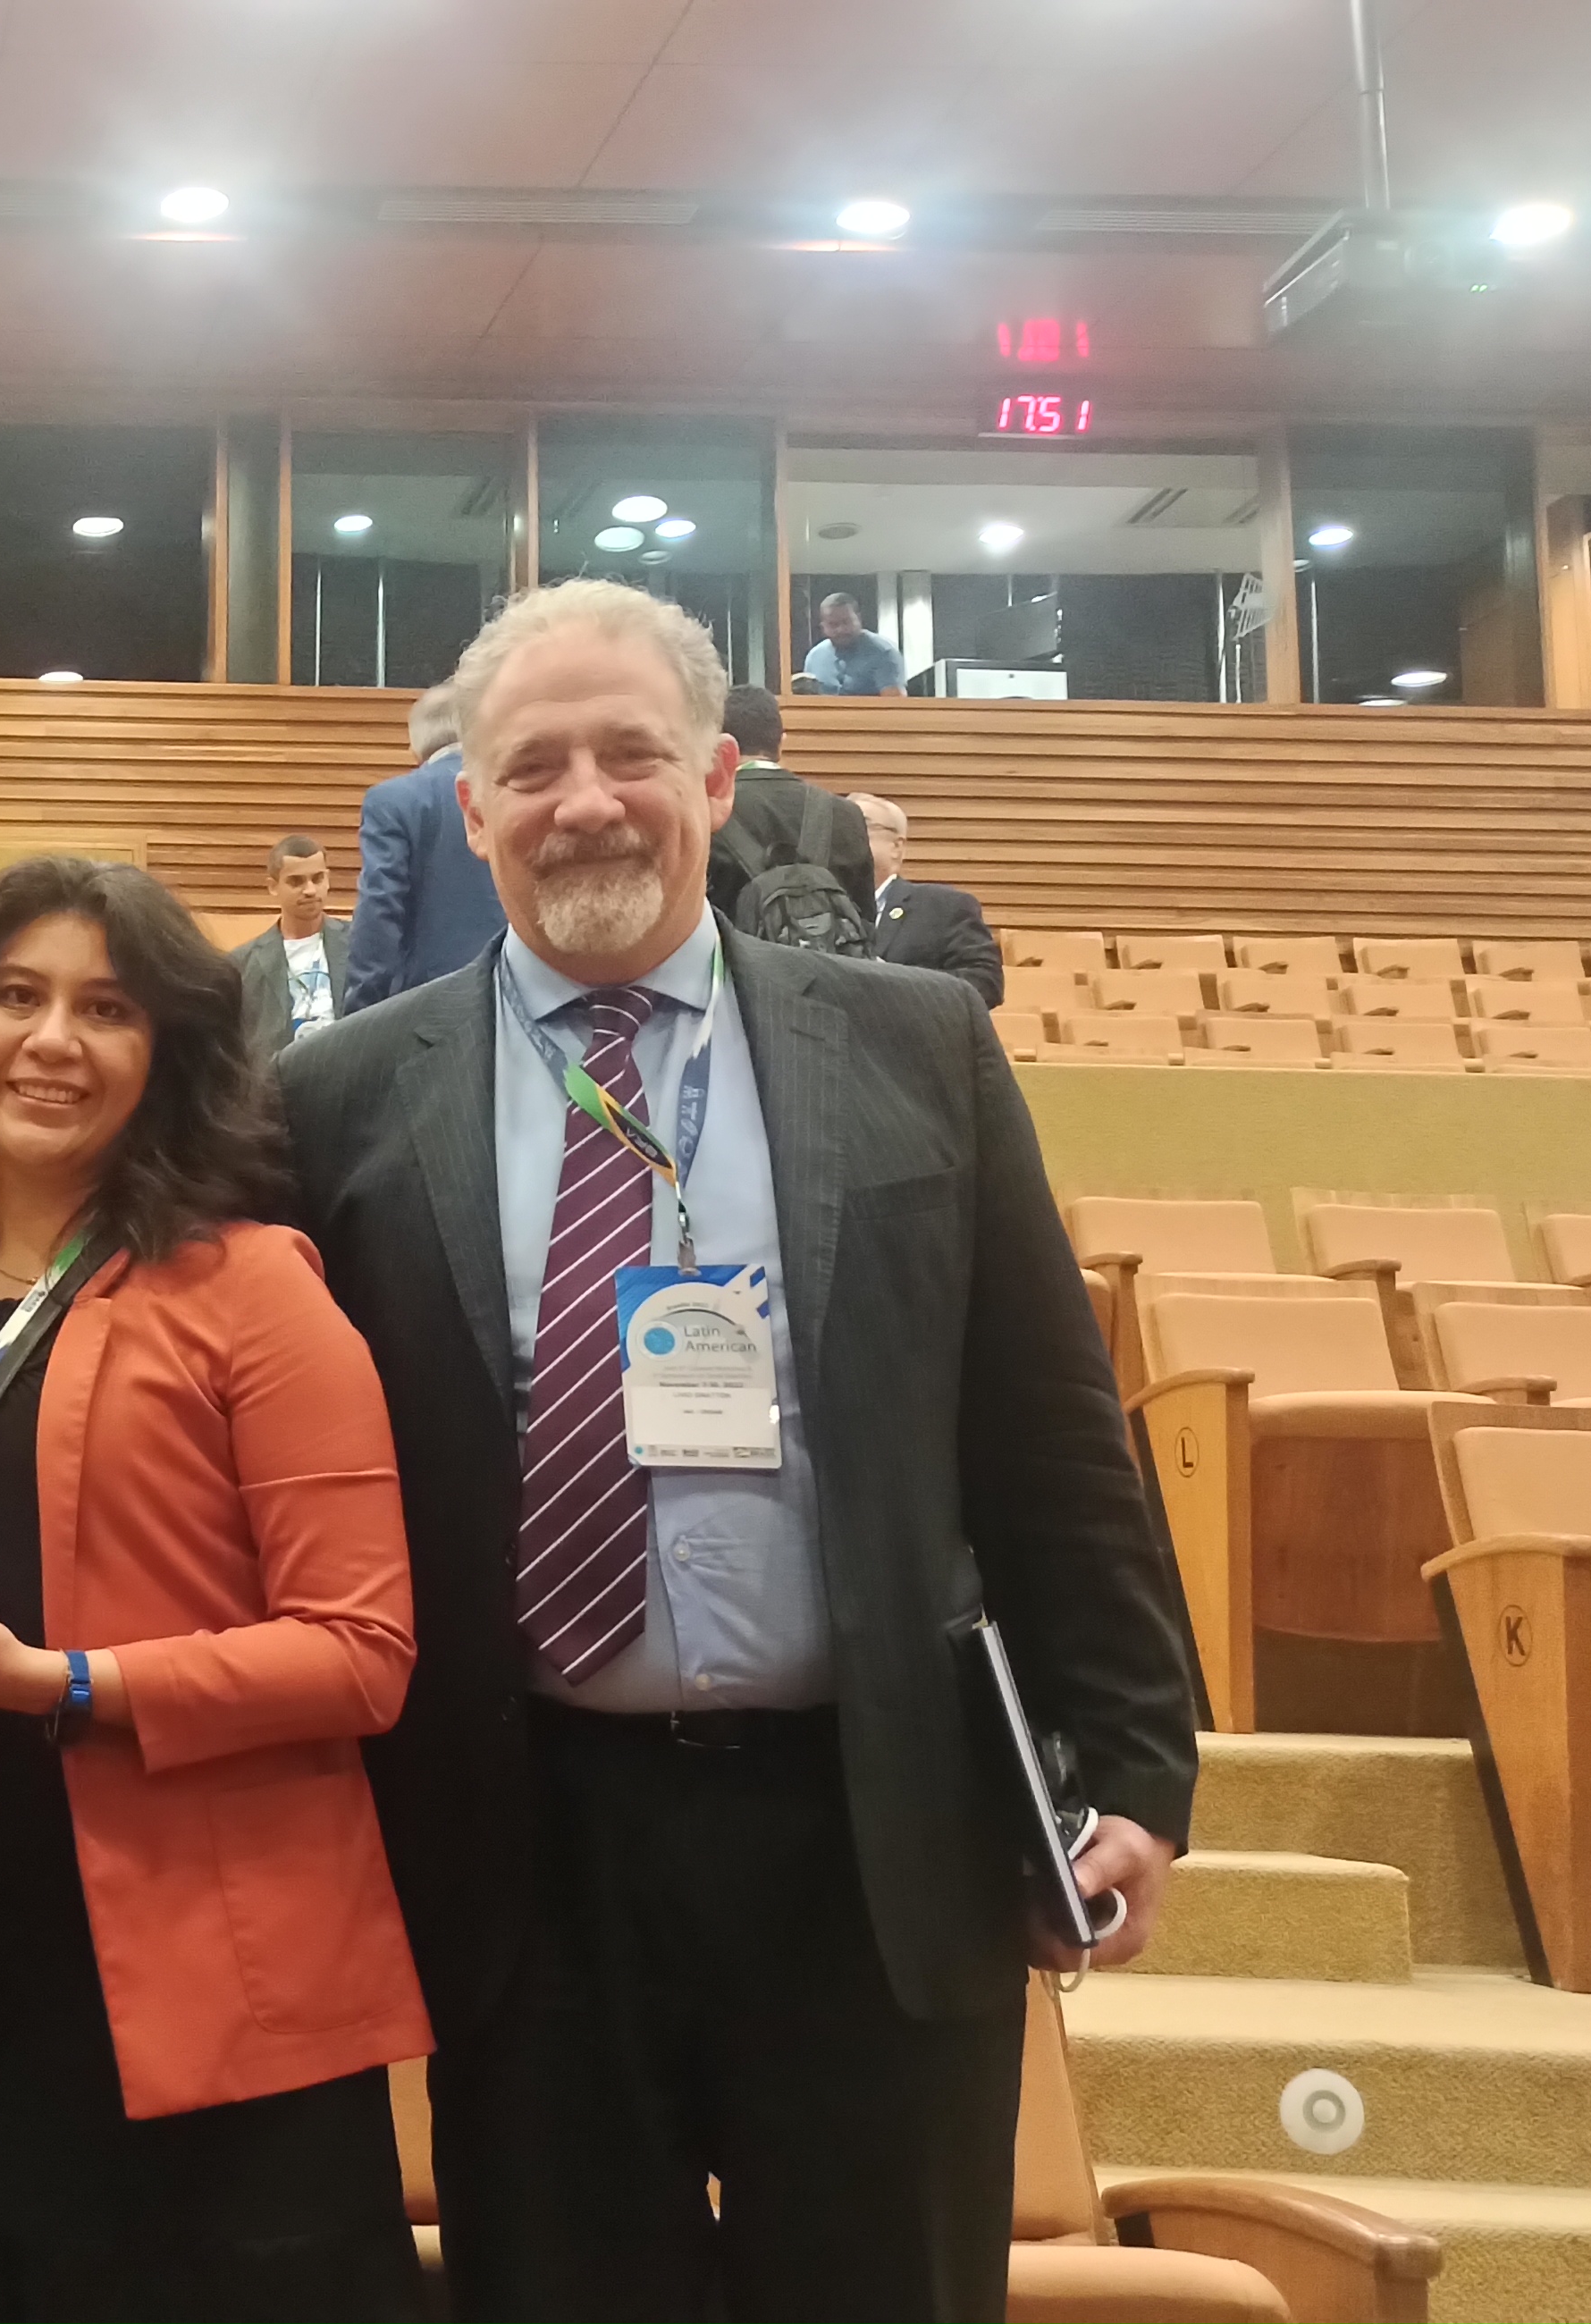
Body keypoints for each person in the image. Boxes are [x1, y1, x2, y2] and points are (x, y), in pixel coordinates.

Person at [271, 580, 1198, 2324]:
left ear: (713, 778)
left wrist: (1136, 1765)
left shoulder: (916, 1046)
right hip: (524, 1851)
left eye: (627, 751)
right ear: (467, 811)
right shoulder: (338, 1093)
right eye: (529, 764)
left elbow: (1046, 1427)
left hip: (869, 1832)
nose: (582, 799)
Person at [0, 855, 428, 2323]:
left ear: (168, 1055)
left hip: (211, 2002)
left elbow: (360, 1652)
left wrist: (59, 1682)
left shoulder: (254, 1286)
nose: (51, 1040)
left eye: (105, 1008)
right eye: (13, 996)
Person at [343, 690, 503, 1013]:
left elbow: (380, 910)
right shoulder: (511, 793)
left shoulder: (392, 801)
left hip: (427, 1009)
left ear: (415, 748)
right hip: (518, 1000)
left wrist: (358, 1015)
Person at [704, 685, 878, 953]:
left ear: (719, 746)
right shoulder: (846, 813)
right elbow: (864, 920)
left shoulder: (706, 810)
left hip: (740, 984)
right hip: (833, 984)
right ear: (781, 742)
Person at [853, 794, 1006, 1004]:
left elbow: (985, 984)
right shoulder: (807, 908)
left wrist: (891, 980)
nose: (844, 836)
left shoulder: (944, 907)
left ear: (896, 847)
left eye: (858, 825)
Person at [231, 834, 344, 1055]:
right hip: (279, 1081)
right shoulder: (242, 965)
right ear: (273, 887)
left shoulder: (360, 945)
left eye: (318, 878)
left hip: (350, 1076)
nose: (310, 890)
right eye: (296, 881)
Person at [800, 592, 909, 697]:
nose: (841, 629)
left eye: (846, 622)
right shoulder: (814, 657)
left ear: (859, 619)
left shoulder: (884, 653)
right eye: (833, 624)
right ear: (823, 626)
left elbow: (895, 705)